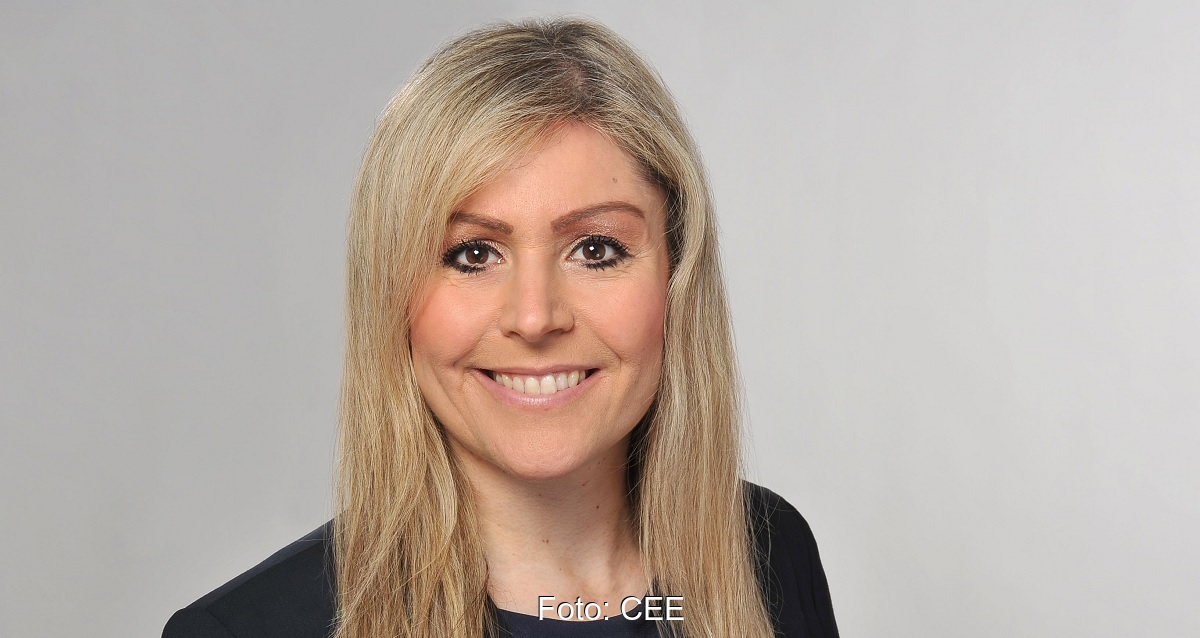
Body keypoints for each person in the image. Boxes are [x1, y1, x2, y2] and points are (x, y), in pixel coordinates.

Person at [163, 17, 838, 638]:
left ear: (677, 276)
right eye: (473, 255)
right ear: (390, 293)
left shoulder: (767, 552)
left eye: (596, 249)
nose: (535, 317)